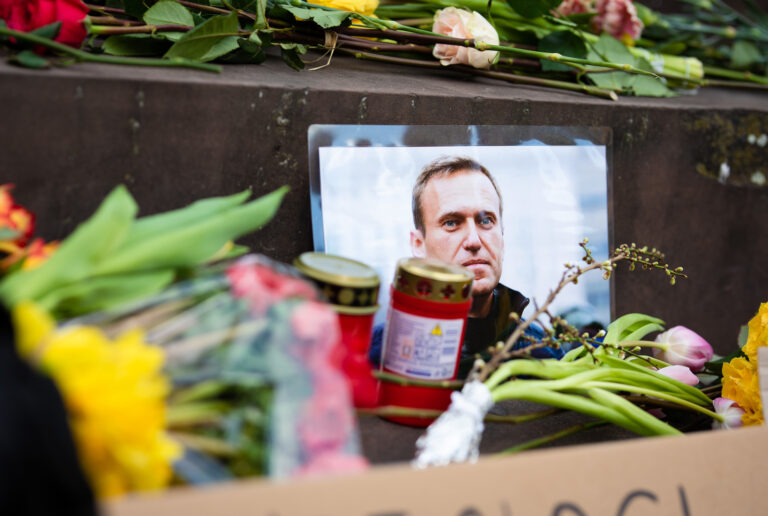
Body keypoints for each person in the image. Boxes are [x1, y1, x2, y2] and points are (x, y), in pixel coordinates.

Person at [370, 156, 562, 377]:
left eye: (486, 221)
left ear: (502, 234)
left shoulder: (542, 353)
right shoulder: (379, 358)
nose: (474, 240)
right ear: (418, 244)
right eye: (451, 223)